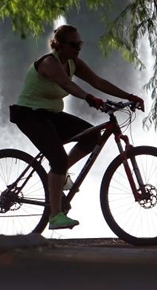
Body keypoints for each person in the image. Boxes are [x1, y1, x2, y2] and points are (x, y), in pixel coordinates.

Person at [9, 24, 145, 230]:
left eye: (80, 44)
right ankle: (55, 216)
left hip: (50, 114)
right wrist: (89, 98)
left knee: (91, 136)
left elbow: (98, 81)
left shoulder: (73, 62)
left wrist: (128, 96)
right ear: (59, 45)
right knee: (58, 159)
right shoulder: (49, 62)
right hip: (29, 115)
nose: (78, 48)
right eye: (74, 45)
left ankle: (58, 175)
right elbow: (67, 84)